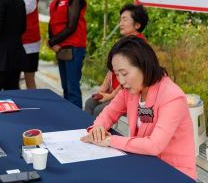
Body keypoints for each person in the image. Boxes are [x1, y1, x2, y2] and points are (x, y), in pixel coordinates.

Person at [81, 36, 197, 180]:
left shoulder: (172, 97)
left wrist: (110, 140)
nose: (121, 81)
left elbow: (154, 145)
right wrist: (98, 127)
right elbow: (109, 113)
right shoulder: (130, 90)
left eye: (124, 73)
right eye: (117, 75)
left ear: (143, 65)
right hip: (143, 162)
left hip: (173, 172)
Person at [84, 3, 149, 117]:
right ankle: (87, 132)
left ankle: (98, 134)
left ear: (137, 25)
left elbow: (129, 79)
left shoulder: (139, 46)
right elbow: (112, 69)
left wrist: (111, 96)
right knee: (90, 102)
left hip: (131, 95)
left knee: (100, 110)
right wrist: (103, 89)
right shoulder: (123, 42)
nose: (120, 23)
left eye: (124, 19)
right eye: (120, 20)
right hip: (116, 93)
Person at [48, 0, 87, 108]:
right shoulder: (55, 1)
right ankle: (69, 118)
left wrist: (52, 41)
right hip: (60, 47)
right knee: (65, 87)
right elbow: (52, 24)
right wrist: (53, 42)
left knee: (72, 88)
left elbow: (72, 26)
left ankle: (78, 122)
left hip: (74, 47)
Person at [15, 0, 41, 89]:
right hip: (18, 42)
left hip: (30, 44)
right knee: (14, 79)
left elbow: (18, 10)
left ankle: (34, 103)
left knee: (29, 78)